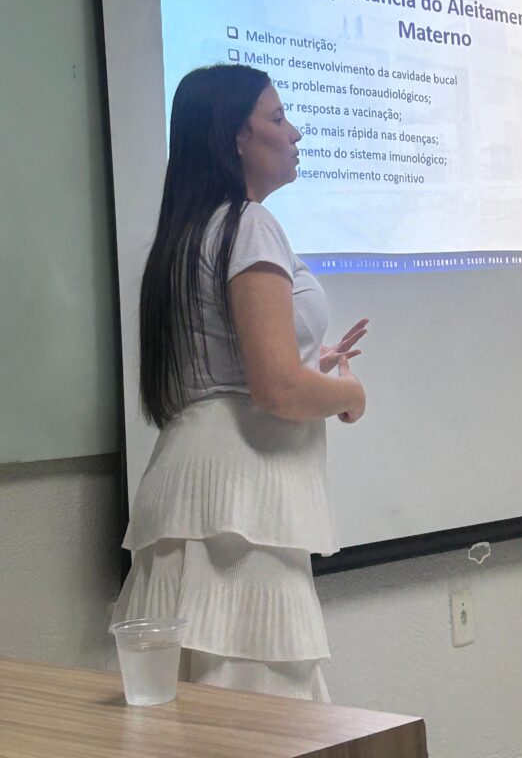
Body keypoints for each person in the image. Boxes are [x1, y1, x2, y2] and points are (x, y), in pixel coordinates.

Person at [112, 64, 368, 702]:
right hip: (240, 511)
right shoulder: (248, 224)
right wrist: (349, 395)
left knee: (185, 719)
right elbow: (277, 390)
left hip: (185, 496)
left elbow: (224, 369)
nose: (296, 133)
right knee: (267, 725)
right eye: (277, 118)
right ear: (236, 136)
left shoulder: (184, 236)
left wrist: (309, 361)